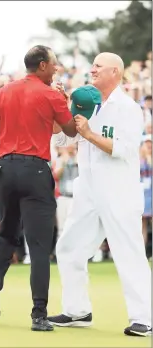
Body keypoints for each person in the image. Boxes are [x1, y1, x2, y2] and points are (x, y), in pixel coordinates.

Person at [0, 45, 77, 332]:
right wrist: (64, 102)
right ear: (42, 66)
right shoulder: (51, 94)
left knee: (5, 234)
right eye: (53, 64)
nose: (56, 68)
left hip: (4, 170)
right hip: (35, 171)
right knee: (39, 245)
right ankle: (39, 314)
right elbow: (69, 131)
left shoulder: (3, 91)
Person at [48, 52, 152, 337]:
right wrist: (60, 107)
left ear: (115, 72)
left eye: (98, 66)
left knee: (129, 253)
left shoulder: (128, 107)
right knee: (68, 248)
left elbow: (126, 150)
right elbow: (62, 138)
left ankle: (144, 318)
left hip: (119, 191)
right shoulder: (87, 102)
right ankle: (77, 310)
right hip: (88, 191)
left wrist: (90, 134)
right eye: (92, 65)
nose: (91, 70)